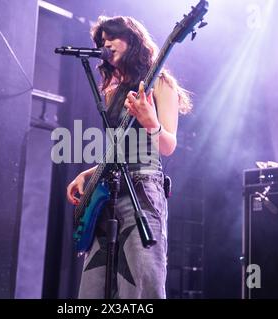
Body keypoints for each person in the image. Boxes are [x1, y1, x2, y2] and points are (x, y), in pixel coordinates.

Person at [66, 15, 191, 299]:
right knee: (92, 290)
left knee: (142, 286)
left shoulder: (160, 83)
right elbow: (120, 152)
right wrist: (87, 174)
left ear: (132, 39)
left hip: (142, 191)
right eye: (101, 41)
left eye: (112, 36)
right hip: (108, 192)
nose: (106, 43)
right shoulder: (110, 91)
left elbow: (168, 145)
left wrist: (151, 122)